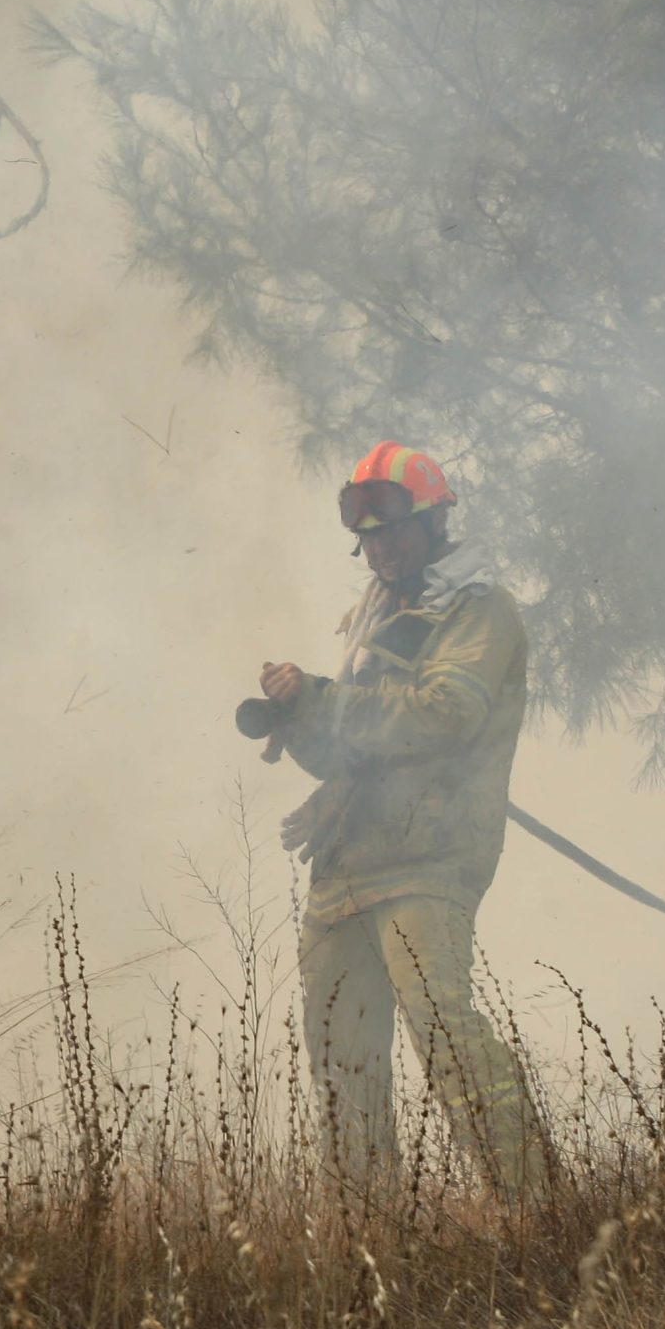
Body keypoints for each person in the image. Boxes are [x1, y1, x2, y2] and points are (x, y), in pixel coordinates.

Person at [249, 442, 550, 1198]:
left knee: (445, 1035)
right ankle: (368, 1243)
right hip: (346, 866)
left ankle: (545, 1214)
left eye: (391, 530)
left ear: (436, 519)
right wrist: (303, 721)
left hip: (427, 858)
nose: (377, 547)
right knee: (339, 1056)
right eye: (367, 536)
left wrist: (323, 698)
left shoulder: (477, 609)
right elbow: (358, 747)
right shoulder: (372, 618)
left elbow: (442, 716)